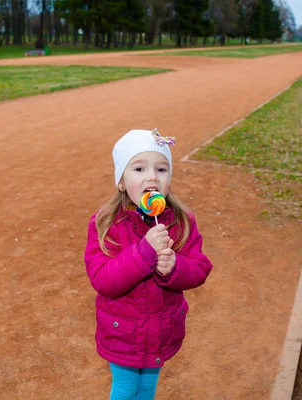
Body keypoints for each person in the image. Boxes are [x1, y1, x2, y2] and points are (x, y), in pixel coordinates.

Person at [84, 128, 214, 400]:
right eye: (140, 169)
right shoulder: (105, 224)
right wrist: (145, 252)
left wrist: (174, 268)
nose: (152, 176)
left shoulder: (182, 221)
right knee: (125, 388)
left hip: (161, 331)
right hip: (123, 334)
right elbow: (103, 280)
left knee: (146, 389)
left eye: (162, 169)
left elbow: (200, 267)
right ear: (121, 181)